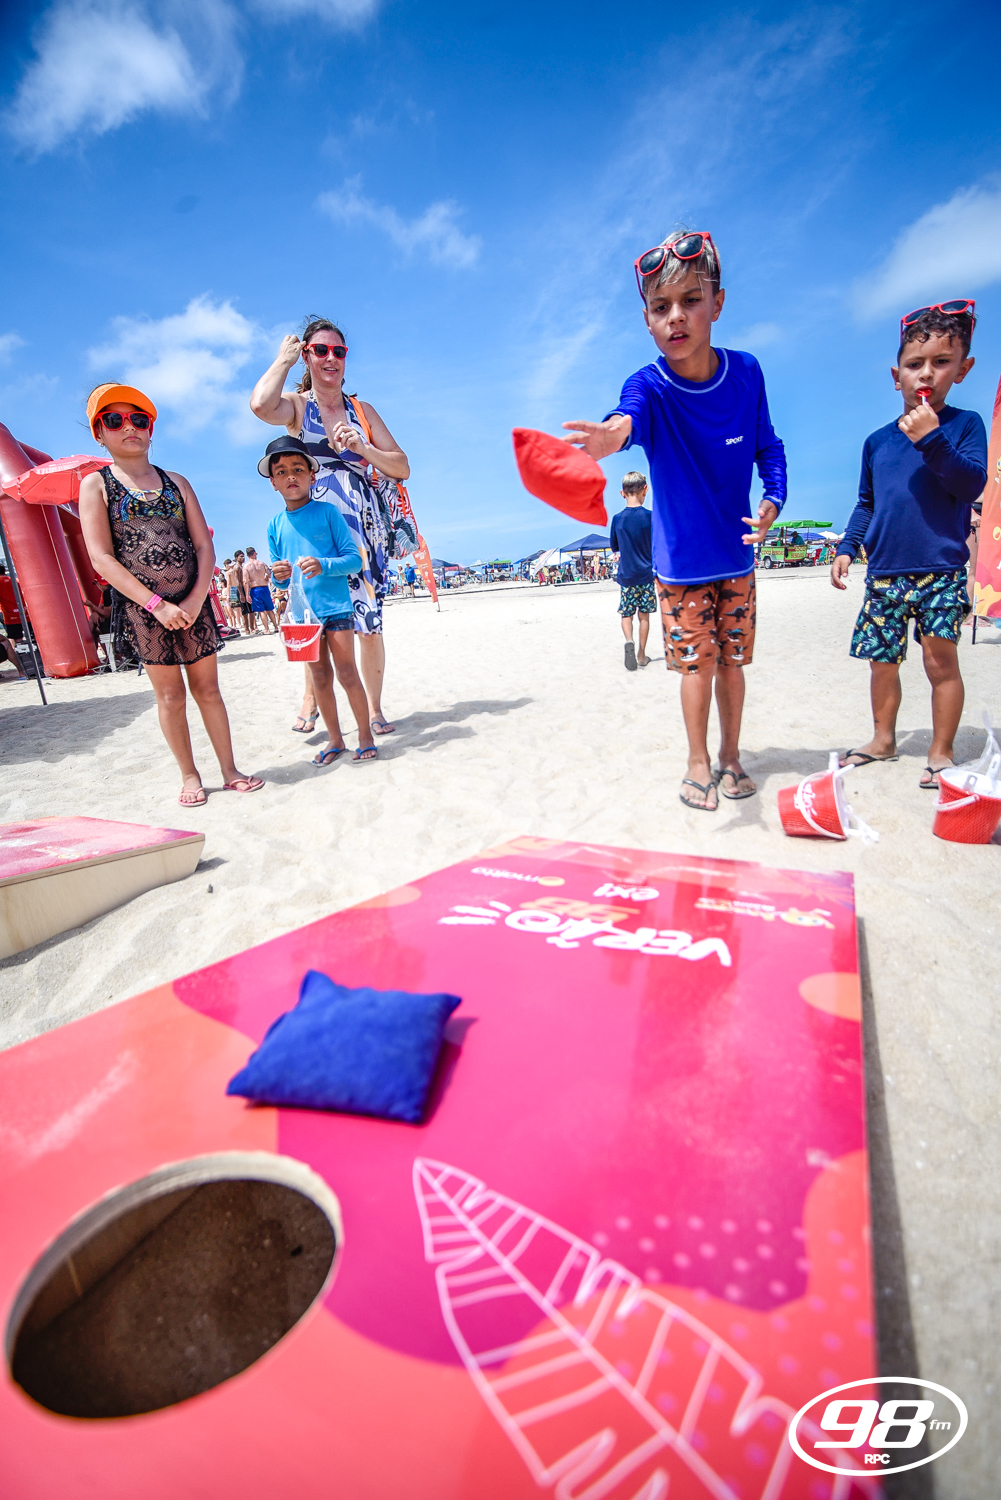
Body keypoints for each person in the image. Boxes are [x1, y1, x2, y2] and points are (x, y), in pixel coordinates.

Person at [563, 230, 786, 811]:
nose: (676, 317)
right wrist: (611, 436)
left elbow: (768, 445)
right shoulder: (650, 385)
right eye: (661, 307)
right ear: (647, 319)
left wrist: (774, 499)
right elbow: (627, 417)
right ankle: (697, 761)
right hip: (680, 565)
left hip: (736, 555)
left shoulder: (746, 373)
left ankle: (731, 756)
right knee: (697, 669)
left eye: (691, 299)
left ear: (718, 302)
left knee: (732, 665)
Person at [79, 382, 263, 805]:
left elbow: (203, 546)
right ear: (99, 433)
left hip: (193, 602)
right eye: (115, 420)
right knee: (170, 695)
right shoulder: (97, 485)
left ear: (150, 429)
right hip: (145, 611)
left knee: (209, 690)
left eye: (138, 419)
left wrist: (196, 599)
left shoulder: (175, 481)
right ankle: (189, 775)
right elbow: (102, 558)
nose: (129, 427)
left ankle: (230, 769)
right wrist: (156, 605)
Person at [832, 302, 987, 790]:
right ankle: (883, 739)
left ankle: (941, 752)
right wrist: (846, 547)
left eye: (941, 362)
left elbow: (971, 484)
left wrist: (932, 440)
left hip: (940, 568)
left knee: (940, 662)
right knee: (882, 662)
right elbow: (867, 503)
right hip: (884, 572)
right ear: (895, 374)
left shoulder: (964, 426)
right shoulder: (877, 441)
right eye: (915, 364)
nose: (926, 374)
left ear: (962, 369)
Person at [250, 318, 410, 737]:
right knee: (314, 614)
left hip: (363, 529)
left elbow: (402, 466)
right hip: (314, 527)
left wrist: (364, 447)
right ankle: (310, 698)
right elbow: (261, 405)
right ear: (307, 356)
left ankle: (373, 708)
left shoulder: (362, 410)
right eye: (320, 350)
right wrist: (283, 360)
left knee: (368, 623)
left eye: (338, 351)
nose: (330, 358)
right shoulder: (299, 406)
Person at [261, 435, 377, 764]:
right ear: (273, 483)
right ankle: (336, 740)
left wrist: (323, 565)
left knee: (347, 672)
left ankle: (365, 736)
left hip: (336, 608)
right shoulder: (275, 525)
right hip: (302, 616)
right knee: (320, 677)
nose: (291, 476)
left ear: (312, 476)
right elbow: (279, 579)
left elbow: (354, 560)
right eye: (281, 472)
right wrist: (278, 575)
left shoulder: (328, 512)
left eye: (298, 469)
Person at [611, 471, 655, 670]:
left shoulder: (617, 519)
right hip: (646, 575)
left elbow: (615, 546)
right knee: (644, 616)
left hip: (627, 575)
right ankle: (642, 655)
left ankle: (629, 640)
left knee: (626, 614)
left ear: (622, 493)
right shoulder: (650, 517)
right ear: (645, 489)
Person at [244, 547, 277, 633]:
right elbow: (269, 573)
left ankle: (267, 630)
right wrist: (266, 577)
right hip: (264, 587)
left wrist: (247, 594)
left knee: (261, 611)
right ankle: (276, 627)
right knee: (270, 609)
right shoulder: (262, 564)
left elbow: (245, 581)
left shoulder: (246, 566)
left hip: (255, 589)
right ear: (254, 553)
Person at [225, 553, 252, 635]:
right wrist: (241, 593)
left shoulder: (242, 567)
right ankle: (247, 629)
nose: (243, 558)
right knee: (243, 611)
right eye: (241, 556)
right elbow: (237, 582)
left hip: (244, 588)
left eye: (243, 556)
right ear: (236, 558)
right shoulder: (236, 568)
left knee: (250, 610)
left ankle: (252, 628)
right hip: (240, 589)